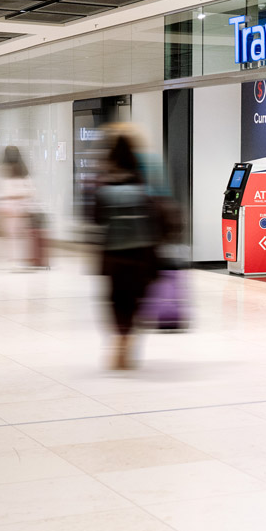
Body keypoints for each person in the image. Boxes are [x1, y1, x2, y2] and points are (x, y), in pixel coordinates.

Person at [94, 125, 160, 370]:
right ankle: (128, 340)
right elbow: (156, 219)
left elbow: (96, 220)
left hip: (114, 256)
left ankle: (119, 342)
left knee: (115, 300)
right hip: (140, 255)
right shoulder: (143, 187)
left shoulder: (103, 189)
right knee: (134, 300)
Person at [0, 146, 35, 269]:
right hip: (21, 208)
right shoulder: (24, 171)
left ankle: (12, 259)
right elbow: (31, 190)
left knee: (10, 235)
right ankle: (18, 259)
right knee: (20, 235)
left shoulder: (2, 170)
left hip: (8, 208)